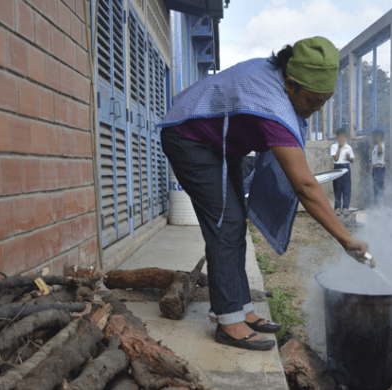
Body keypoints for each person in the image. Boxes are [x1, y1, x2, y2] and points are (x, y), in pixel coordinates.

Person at [158, 37, 370, 351]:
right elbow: (306, 186)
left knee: (234, 223)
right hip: (188, 138)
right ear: (291, 84)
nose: (314, 110)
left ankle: (241, 308)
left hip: (218, 143)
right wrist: (346, 238)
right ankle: (229, 321)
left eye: (324, 102)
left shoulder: (279, 80)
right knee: (225, 224)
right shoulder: (272, 102)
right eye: (312, 101)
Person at [330, 128, 354, 216]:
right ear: (337, 137)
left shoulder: (349, 147)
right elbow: (336, 158)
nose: (341, 138)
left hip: (346, 168)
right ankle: (337, 208)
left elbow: (351, 160)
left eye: (343, 137)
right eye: (340, 137)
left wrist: (348, 158)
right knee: (337, 188)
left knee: (347, 189)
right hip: (337, 168)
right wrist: (340, 147)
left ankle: (346, 208)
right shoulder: (334, 146)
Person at [372, 130, 385, 204]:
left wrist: (379, 140)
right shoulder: (376, 146)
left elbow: (380, 152)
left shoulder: (381, 144)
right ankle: (377, 206)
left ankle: (380, 207)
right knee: (376, 189)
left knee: (379, 188)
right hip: (375, 169)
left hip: (379, 169)